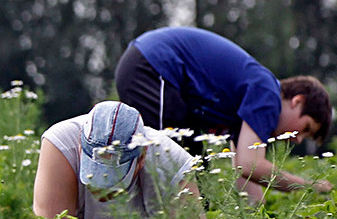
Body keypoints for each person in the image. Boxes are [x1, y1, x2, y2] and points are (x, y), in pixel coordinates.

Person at [114, 27, 331, 201]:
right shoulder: (268, 94)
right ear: (297, 101)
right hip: (154, 66)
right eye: (306, 129)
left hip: (150, 67)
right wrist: (311, 188)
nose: (297, 139)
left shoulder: (251, 104)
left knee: (195, 174)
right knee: (170, 166)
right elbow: (250, 165)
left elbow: (245, 175)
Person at [33, 100, 207, 219]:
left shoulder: (171, 163)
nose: (101, 191)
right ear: (79, 147)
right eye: (93, 178)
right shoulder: (60, 145)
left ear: (142, 157)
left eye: (115, 182)